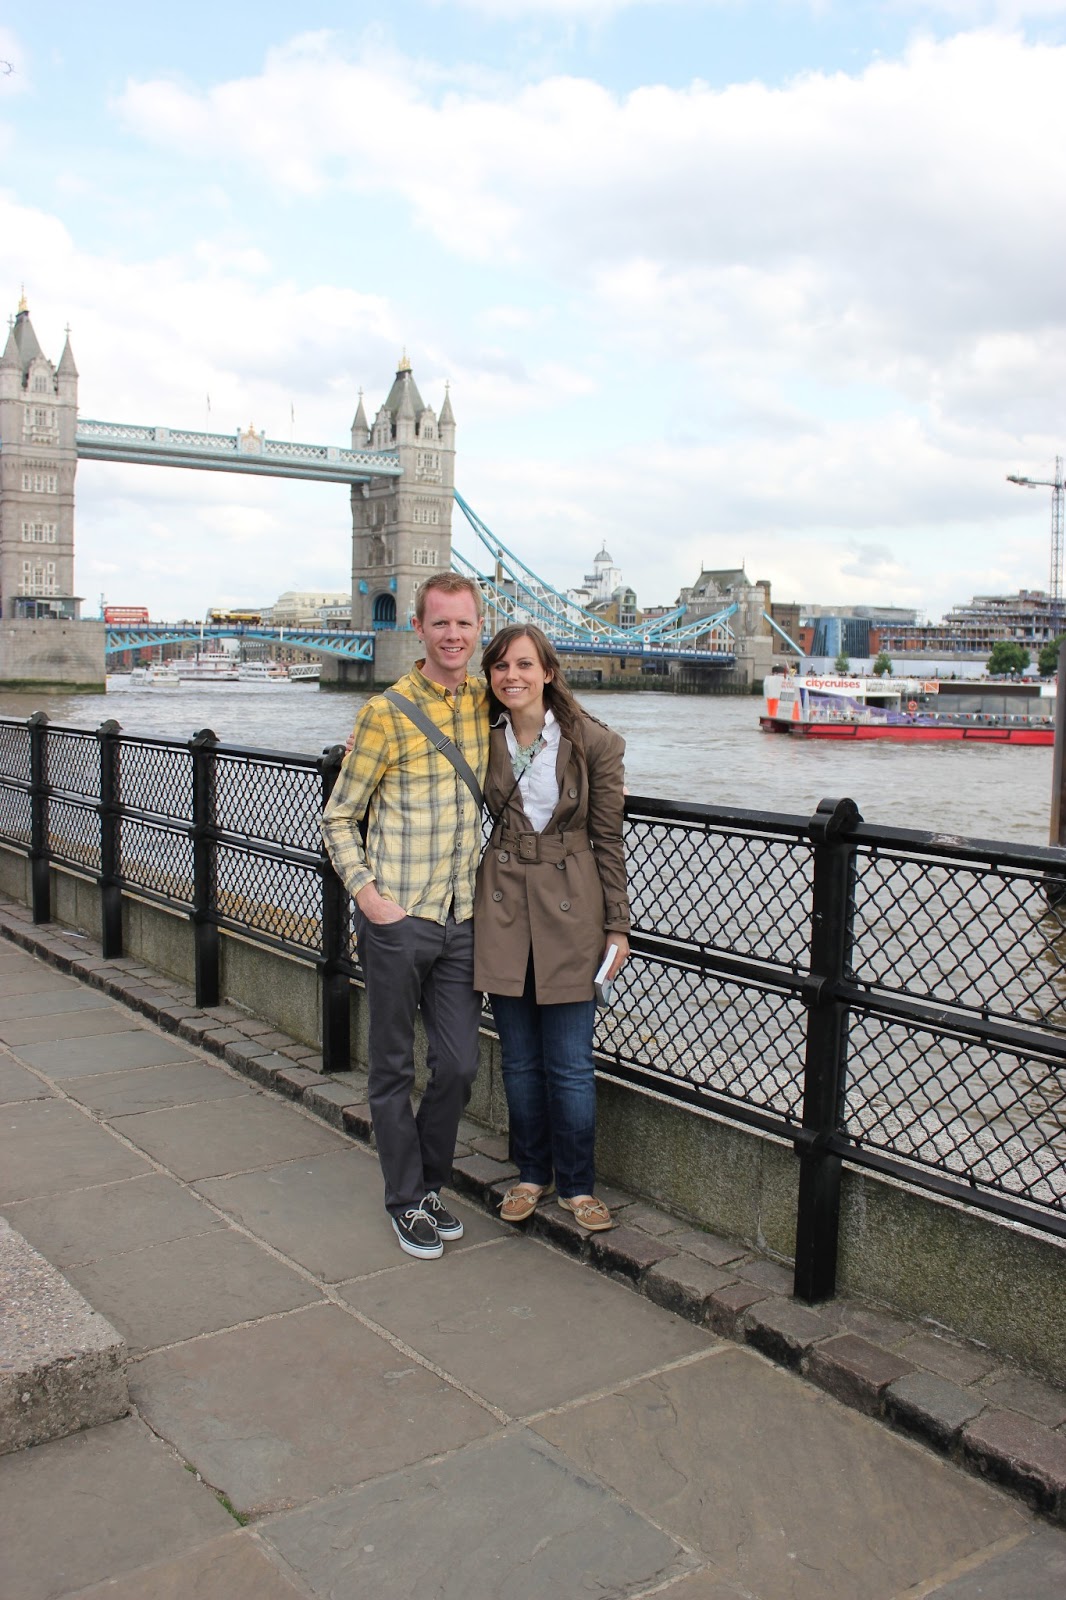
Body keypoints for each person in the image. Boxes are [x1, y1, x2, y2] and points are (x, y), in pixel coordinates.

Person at [321, 573, 489, 1260]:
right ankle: (406, 1198)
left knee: (458, 1065)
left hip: (461, 919)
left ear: (480, 629)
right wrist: (370, 899)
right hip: (399, 917)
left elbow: (554, 727)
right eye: (441, 623)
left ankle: (428, 1184)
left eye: (465, 624)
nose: (453, 636)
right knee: (392, 1068)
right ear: (418, 628)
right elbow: (339, 817)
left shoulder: (487, 703)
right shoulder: (384, 713)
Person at [474, 624, 630, 1233]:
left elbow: (609, 840)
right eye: (500, 667)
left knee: (568, 1061)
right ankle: (531, 1174)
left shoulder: (595, 743)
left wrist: (618, 926)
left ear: (548, 672)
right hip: (504, 901)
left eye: (524, 665)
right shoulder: (476, 735)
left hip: (573, 906)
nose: (512, 677)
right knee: (517, 1060)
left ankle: (579, 1184)